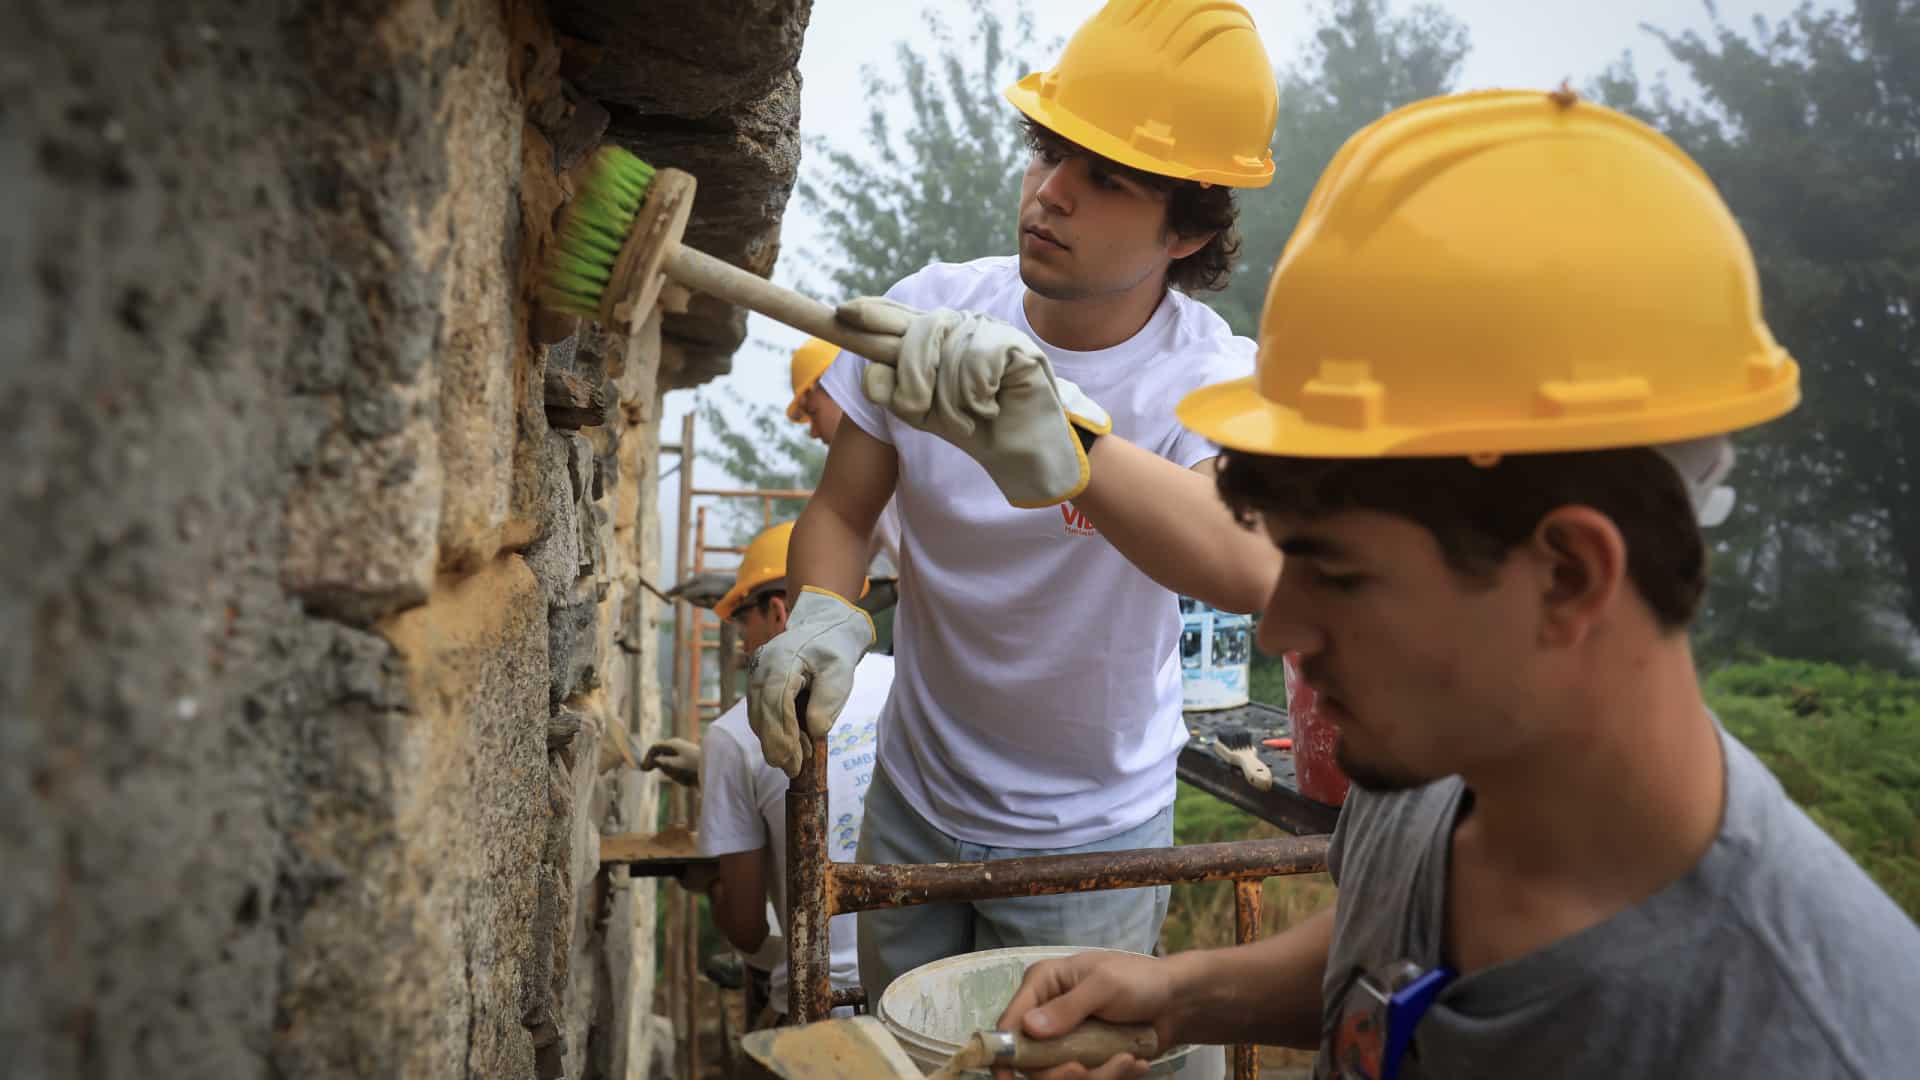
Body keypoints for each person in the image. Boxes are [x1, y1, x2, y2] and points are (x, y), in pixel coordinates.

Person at [988, 89, 1920, 1079]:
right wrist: (1181, 998)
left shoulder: (1802, 1041)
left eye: (1339, 577)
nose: (1281, 627)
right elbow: (1389, 949)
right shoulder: (1437, 765)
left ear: (1569, 576)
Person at [746, 0, 1289, 1000]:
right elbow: (840, 510)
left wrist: (1069, 441)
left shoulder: (1210, 381)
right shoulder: (936, 315)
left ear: (1189, 228)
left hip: (1093, 834)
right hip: (916, 794)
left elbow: (1246, 563)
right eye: (1048, 155)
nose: (1052, 194)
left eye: (1105, 179)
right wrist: (823, 613)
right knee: (909, 1053)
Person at [644, 521, 892, 1026]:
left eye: (742, 626)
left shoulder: (735, 736)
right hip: (916, 991)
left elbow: (747, 929)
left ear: (777, 612)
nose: (740, 645)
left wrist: (712, 883)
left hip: (820, 1008)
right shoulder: (903, 682)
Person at [787, 335, 902, 587]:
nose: (814, 432)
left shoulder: (911, 453)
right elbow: (845, 548)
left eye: (813, 412)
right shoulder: (868, 483)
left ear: (842, 385)